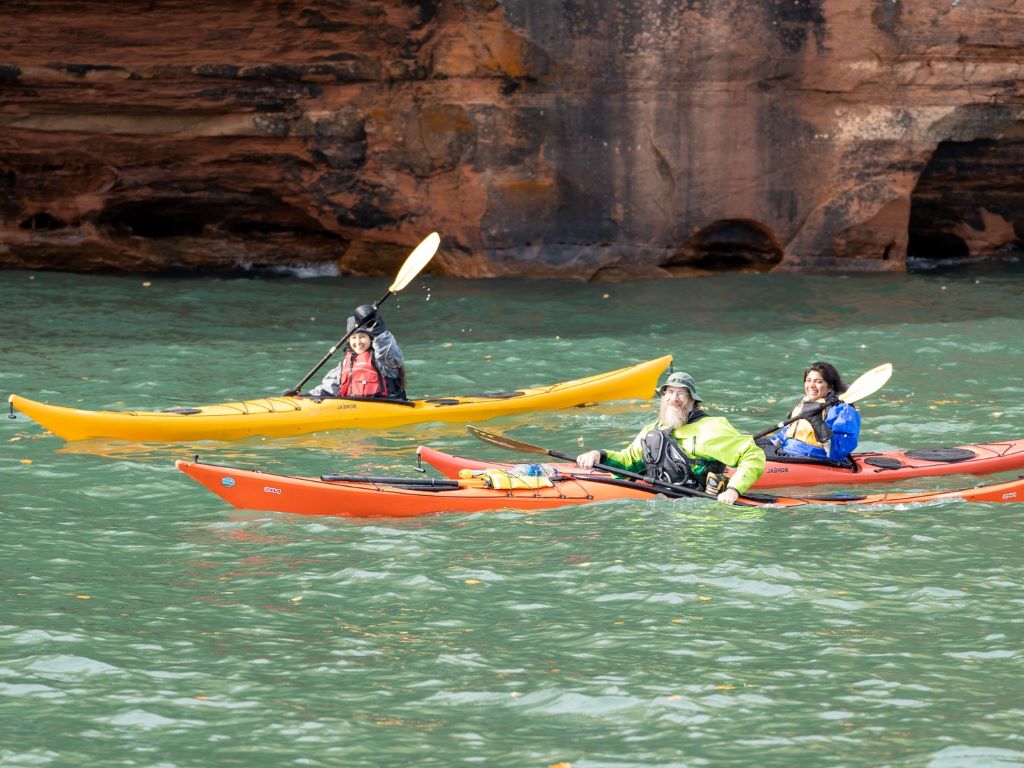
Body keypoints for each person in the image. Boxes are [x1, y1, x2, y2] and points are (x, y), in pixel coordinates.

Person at [576, 371, 765, 505]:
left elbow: (753, 455)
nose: (674, 398)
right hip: (661, 503)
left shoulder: (711, 428)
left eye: (681, 393)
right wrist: (599, 455)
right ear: (663, 397)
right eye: (669, 392)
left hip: (699, 507)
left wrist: (733, 490)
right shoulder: (652, 429)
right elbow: (628, 463)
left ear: (692, 400)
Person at [759, 361, 861, 463]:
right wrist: (762, 443)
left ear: (830, 387)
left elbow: (840, 450)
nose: (811, 385)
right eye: (808, 380)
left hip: (817, 458)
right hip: (788, 452)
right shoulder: (804, 403)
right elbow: (784, 436)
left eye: (818, 381)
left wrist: (817, 422)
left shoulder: (843, 410)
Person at [308, 304, 406, 399]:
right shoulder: (345, 364)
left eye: (362, 337)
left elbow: (387, 351)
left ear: (371, 338)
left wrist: (379, 331)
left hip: (387, 407)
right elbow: (328, 389)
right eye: (353, 338)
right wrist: (304, 397)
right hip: (354, 410)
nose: (358, 342)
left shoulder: (383, 360)